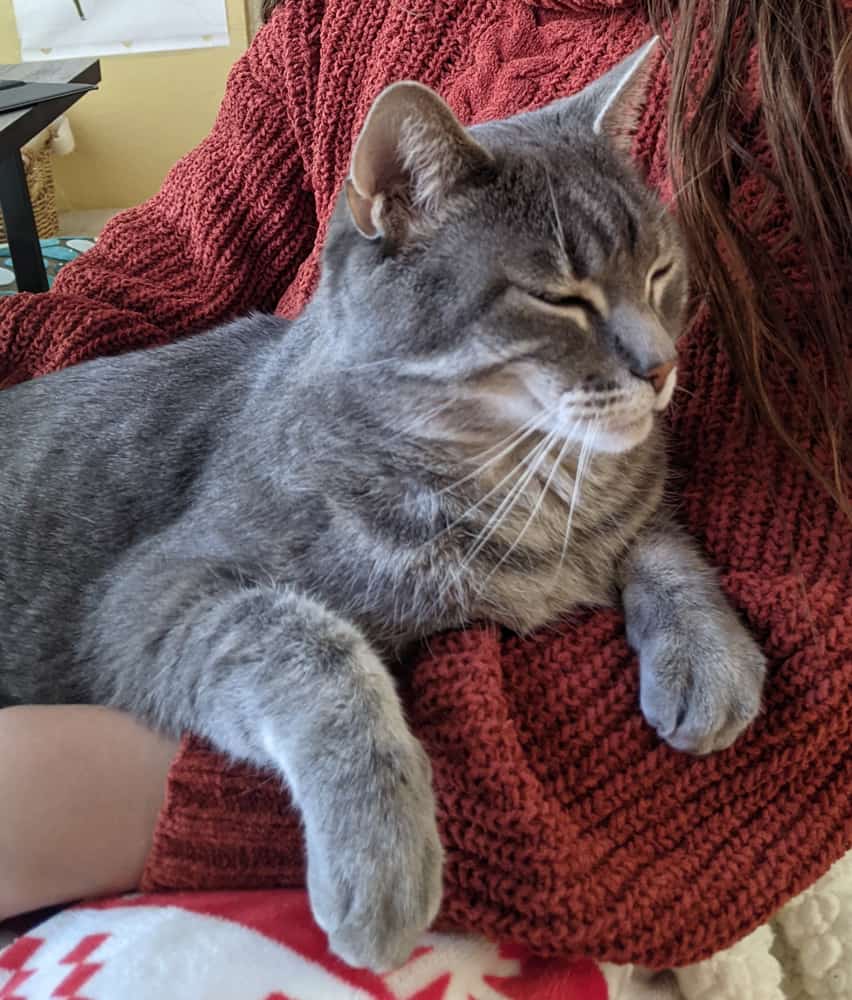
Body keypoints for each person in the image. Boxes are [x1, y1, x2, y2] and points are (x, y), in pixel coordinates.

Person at [1, 0, 849, 967]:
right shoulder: (323, 457)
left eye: (656, 284)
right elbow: (149, 604)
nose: (657, 358)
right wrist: (335, 720)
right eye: (562, 300)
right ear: (395, 215)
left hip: (188, 807)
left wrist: (664, 573)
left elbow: (798, 643)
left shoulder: (795, 75)